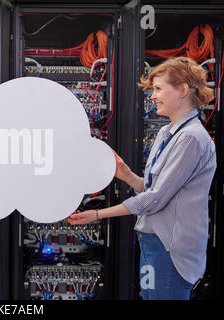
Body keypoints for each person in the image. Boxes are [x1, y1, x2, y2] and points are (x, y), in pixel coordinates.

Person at [67, 57, 216, 300]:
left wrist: (97, 215)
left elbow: (156, 199)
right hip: (153, 243)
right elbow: (152, 188)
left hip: (171, 249)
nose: (153, 96)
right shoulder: (167, 133)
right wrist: (126, 174)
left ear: (182, 90)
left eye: (158, 89)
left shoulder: (190, 138)